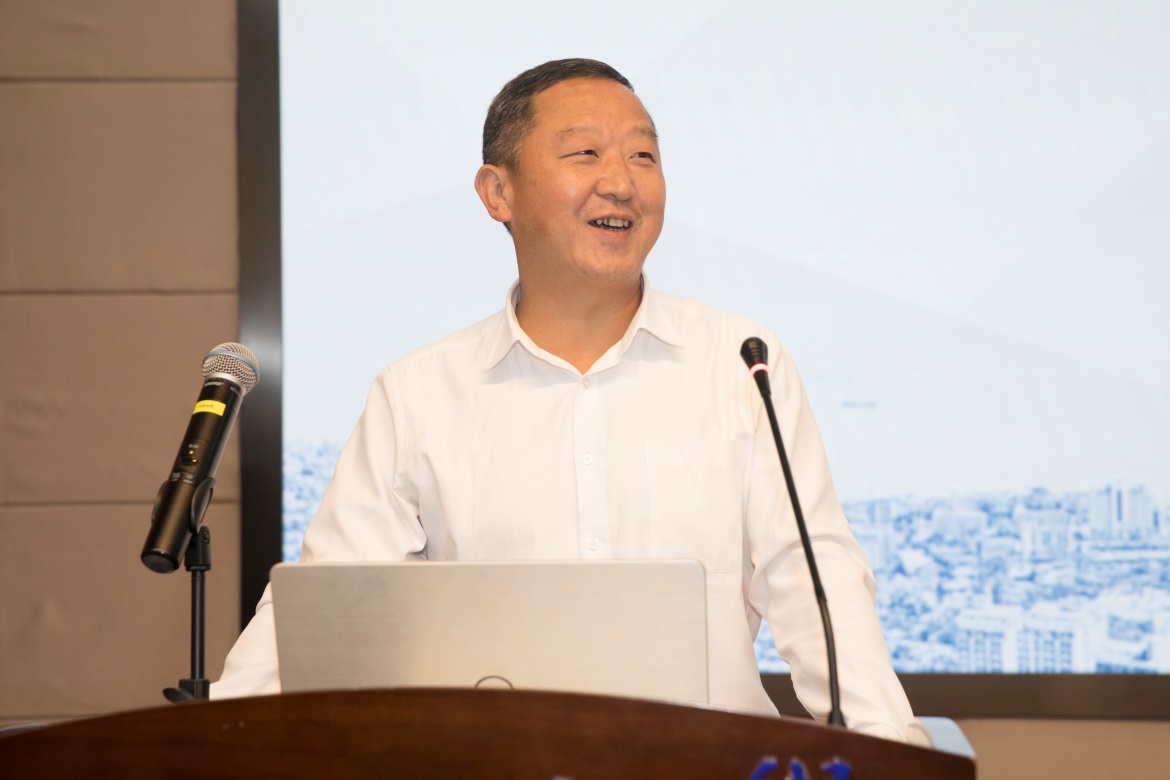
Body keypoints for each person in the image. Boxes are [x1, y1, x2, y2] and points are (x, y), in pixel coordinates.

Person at [213, 58, 928, 745]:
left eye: (644, 156)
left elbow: (814, 578)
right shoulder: (418, 393)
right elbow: (331, 606)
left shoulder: (741, 364)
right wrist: (214, 741)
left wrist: (891, 748)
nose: (621, 183)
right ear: (497, 192)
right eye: (585, 153)